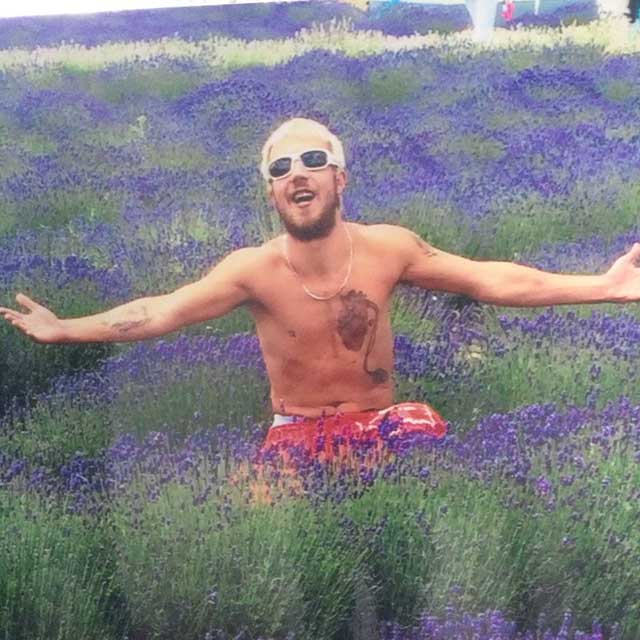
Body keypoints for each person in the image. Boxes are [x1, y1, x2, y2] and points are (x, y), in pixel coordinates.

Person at [2, 117, 640, 501]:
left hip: (386, 422)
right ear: (272, 192)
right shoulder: (251, 270)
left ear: (340, 178)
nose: (297, 172)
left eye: (314, 160)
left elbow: (490, 281)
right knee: (257, 544)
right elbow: (159, 312)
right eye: (281, 167)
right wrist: (64, 331)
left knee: (451, 506)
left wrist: (603, 285)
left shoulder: (390, 248)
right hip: (296, 434)